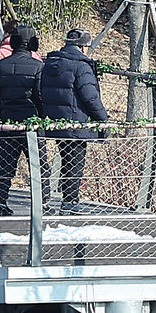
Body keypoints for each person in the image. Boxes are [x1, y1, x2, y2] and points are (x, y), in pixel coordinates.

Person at [39, 28, 109, 212]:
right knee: (75, 161)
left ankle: (65, 199)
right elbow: (90, 97)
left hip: (54, 120)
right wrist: (103, 119)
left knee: (65, 157)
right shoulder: (81, 66)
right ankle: (70, 201)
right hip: (76, 122)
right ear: (84, 47)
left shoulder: (50, 63)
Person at [0, 25, 46, 216]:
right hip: (32, 124)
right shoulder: (38, 66)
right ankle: (42, 202)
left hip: (6, 122)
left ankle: (1, 203)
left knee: (4, 165)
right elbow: (40, 96)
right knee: (38, 164)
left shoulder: (0, 65)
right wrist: (42, 118)